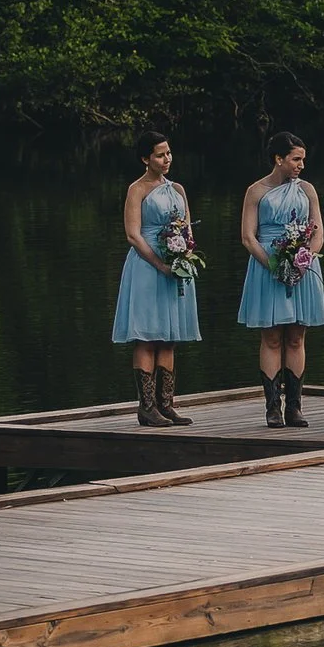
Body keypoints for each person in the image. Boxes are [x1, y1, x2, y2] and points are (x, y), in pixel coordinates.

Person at [236, 130, 324, 428]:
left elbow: (318, 233)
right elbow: (248, 237)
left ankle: (295, 407)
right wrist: (274, 265)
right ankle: (272, 406)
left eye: (303, 159)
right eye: (295, 159)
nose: (301, 165)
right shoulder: (256, 191)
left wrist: (304, 260)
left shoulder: (307, 190)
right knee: (272, 337)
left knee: (297, 336)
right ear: (279, 159)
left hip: (302, 267)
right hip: (268, 266)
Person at [111, 129, 200, 428]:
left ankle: (167, 404)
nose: (167, 159)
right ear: (145, 158)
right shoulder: (138, 190)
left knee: (169, 337)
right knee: (147, 336)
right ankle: (146, 407)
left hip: (175, 266)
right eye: (160, 155)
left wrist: (185, 254)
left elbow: (187, 228)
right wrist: (160, 263)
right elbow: (133, 235)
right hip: (147, 266)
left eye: (169, 153)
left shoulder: (178, 188)